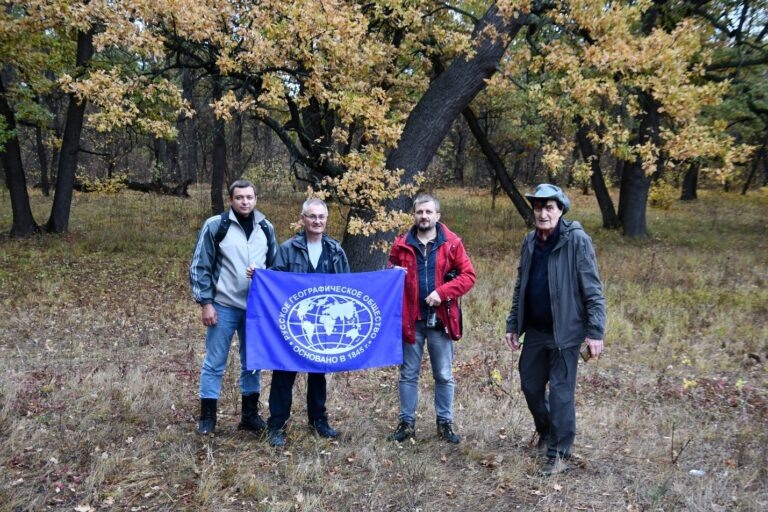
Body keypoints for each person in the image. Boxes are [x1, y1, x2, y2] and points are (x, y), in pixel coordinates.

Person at [504, 183, 606, 476]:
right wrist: (514, 323)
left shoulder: (577, 240)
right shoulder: (530, 242)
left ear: (561, 210)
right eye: (538, 207)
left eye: (549, 207)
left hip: (566, 333)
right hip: (535, 330)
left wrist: (595, 331)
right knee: (531, 386)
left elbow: (593, 289)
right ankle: (547, 431)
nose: (542, 213)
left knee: (561, 394)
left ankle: (559, 453)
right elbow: (520, 286)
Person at [259, 198, 350, 447]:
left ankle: (318, 420)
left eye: (321, 217)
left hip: (323, 325)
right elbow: (274, 282)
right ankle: (276, 424)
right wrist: (260, 276)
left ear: (326, 220)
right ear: (303, 219)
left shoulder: (335, 250)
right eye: (312, 216)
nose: (317, 221)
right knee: (284, 373)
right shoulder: (288, 249)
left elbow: (347, 286)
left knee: (318, 373)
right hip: (294, 323)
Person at [189, 179, 278, 436]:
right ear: (231, 200)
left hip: (256, 309)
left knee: (252, 362)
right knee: (215, 362)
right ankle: (208, 417)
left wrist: (264, 274)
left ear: (256, 199)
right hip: (223, 304)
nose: (245, 202)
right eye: (239, 197)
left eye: (249, 197)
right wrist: (206, 303)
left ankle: (249, 416)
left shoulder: (266, 227)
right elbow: (200, 266)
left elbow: (275, 267)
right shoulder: (216, 226)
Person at [388, 193, 476, 444]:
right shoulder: (401, 244)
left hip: (441, 321)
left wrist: (442, 292)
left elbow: (468, 276)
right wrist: (393, 275)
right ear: (413, 215)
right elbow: (389, 276)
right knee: (408, 374)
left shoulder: (452, 243)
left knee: (444, 375)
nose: (424, 216)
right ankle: (406, 424)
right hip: (411, 320)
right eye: (419, 212)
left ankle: (444, 424)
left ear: (437, 215)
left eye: (428, 212)